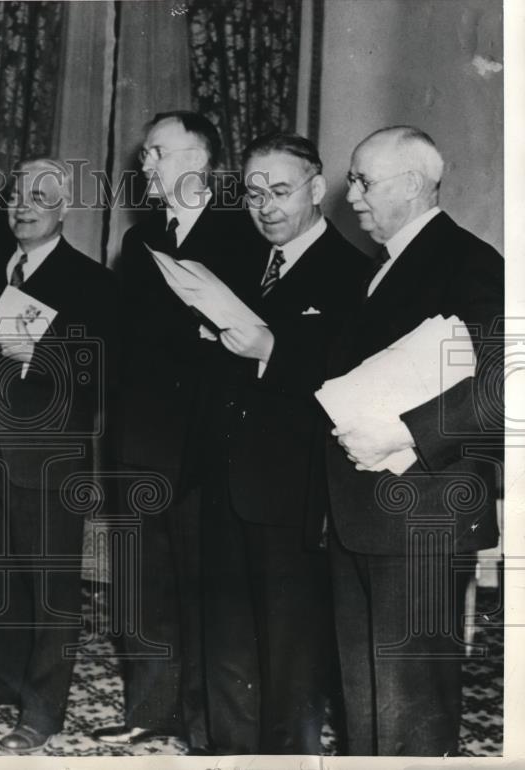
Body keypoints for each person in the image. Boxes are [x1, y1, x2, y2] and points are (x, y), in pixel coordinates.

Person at [327, 126, 502, 755]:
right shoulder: (386, 267)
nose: (350, 197)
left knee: (410, 711)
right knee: (367, 704)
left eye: (362, 181)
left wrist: (401, 432)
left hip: (422, 518)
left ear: (409, 184)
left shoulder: (469, 261)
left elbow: (505, 389)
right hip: (365, 515)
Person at [92, 111, 263, 754]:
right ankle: (150, 710)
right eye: (144, 155)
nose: (145, 164)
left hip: (204, 445)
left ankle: (203, 722)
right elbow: (123, 344)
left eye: (155, 152)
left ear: (198, 159)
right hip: (140, 444)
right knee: (144, 581)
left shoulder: (242, 237)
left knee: (203, 588)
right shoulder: (139, 245)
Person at [198, 132, 367, 753]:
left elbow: (351, 383)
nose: (265, 205)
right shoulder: (238, 265)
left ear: (317, 190)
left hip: (296, 495)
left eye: (280, 191)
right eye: (253, 192)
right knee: (228, 641)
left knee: (291, 653)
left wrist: (271, 351)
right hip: (224, 482)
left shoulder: (355, 275)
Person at [0, 158, 117, 752]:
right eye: (16, 195)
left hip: (48, 458)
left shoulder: (91, 280)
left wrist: (37, 352)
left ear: (63, 208)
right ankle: (1, 683)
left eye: (39, 196)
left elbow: (101, 371)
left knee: (50, 586)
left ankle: (43, 711)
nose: (23, 205)